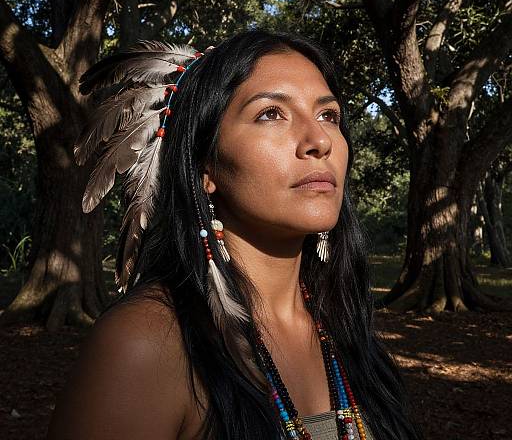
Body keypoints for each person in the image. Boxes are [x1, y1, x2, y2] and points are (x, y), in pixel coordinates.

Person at [47, 29, 422, 440]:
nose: (319, 141)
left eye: (328, 115)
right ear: (206, 166)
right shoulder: (147, 345)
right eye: (270, 114)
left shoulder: (343, 322)